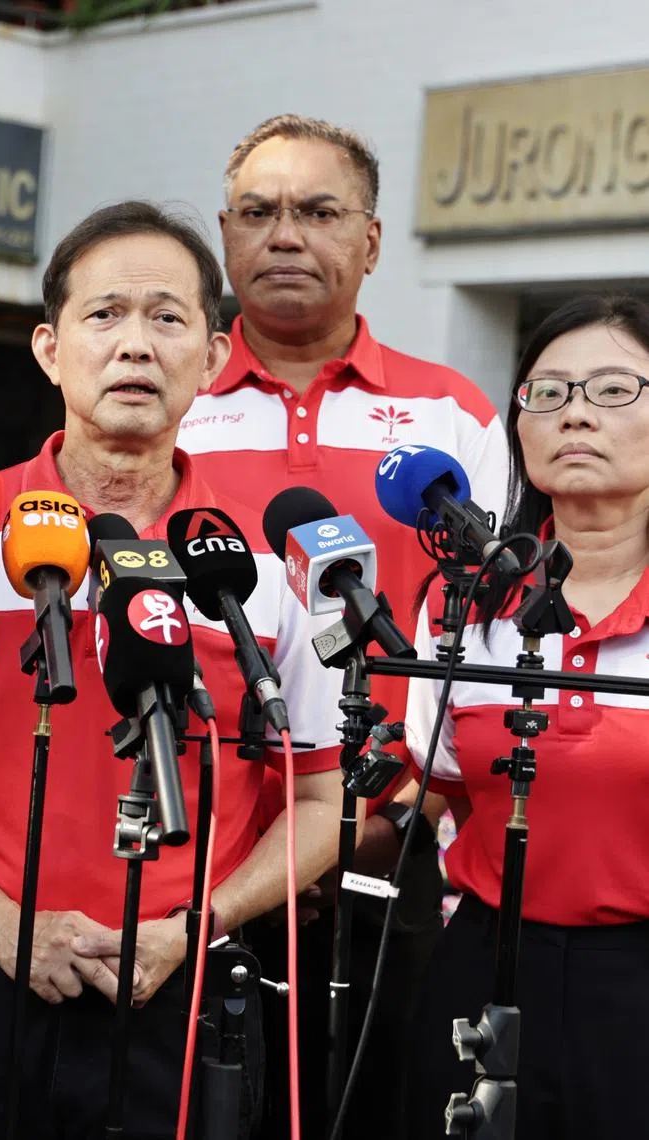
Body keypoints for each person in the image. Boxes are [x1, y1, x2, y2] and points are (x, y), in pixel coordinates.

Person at [0, 201, 348, 1140]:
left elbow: (320, 803)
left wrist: (193, 928)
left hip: (187, 994)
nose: (135, 347)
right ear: (48, 349)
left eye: (167, 318)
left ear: (217, 355)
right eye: (104, 316)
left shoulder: (267, 562)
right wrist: (1, 925)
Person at [175, 113, 511, 1138]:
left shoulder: (452, 415)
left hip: (389, 836)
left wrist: (382, 806)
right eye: (258, 212)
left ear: (369, 242)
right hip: (198, 842)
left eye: (317, 211)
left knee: (375, 1109)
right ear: (225, 238)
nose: (285, 236)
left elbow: (488, 637)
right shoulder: (169, 393)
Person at [405, 293, 649, 1139]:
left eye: (614, 390)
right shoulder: (465, 602)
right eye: (547, 393)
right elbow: (436, 789)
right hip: (483, 959)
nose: (575, 413)